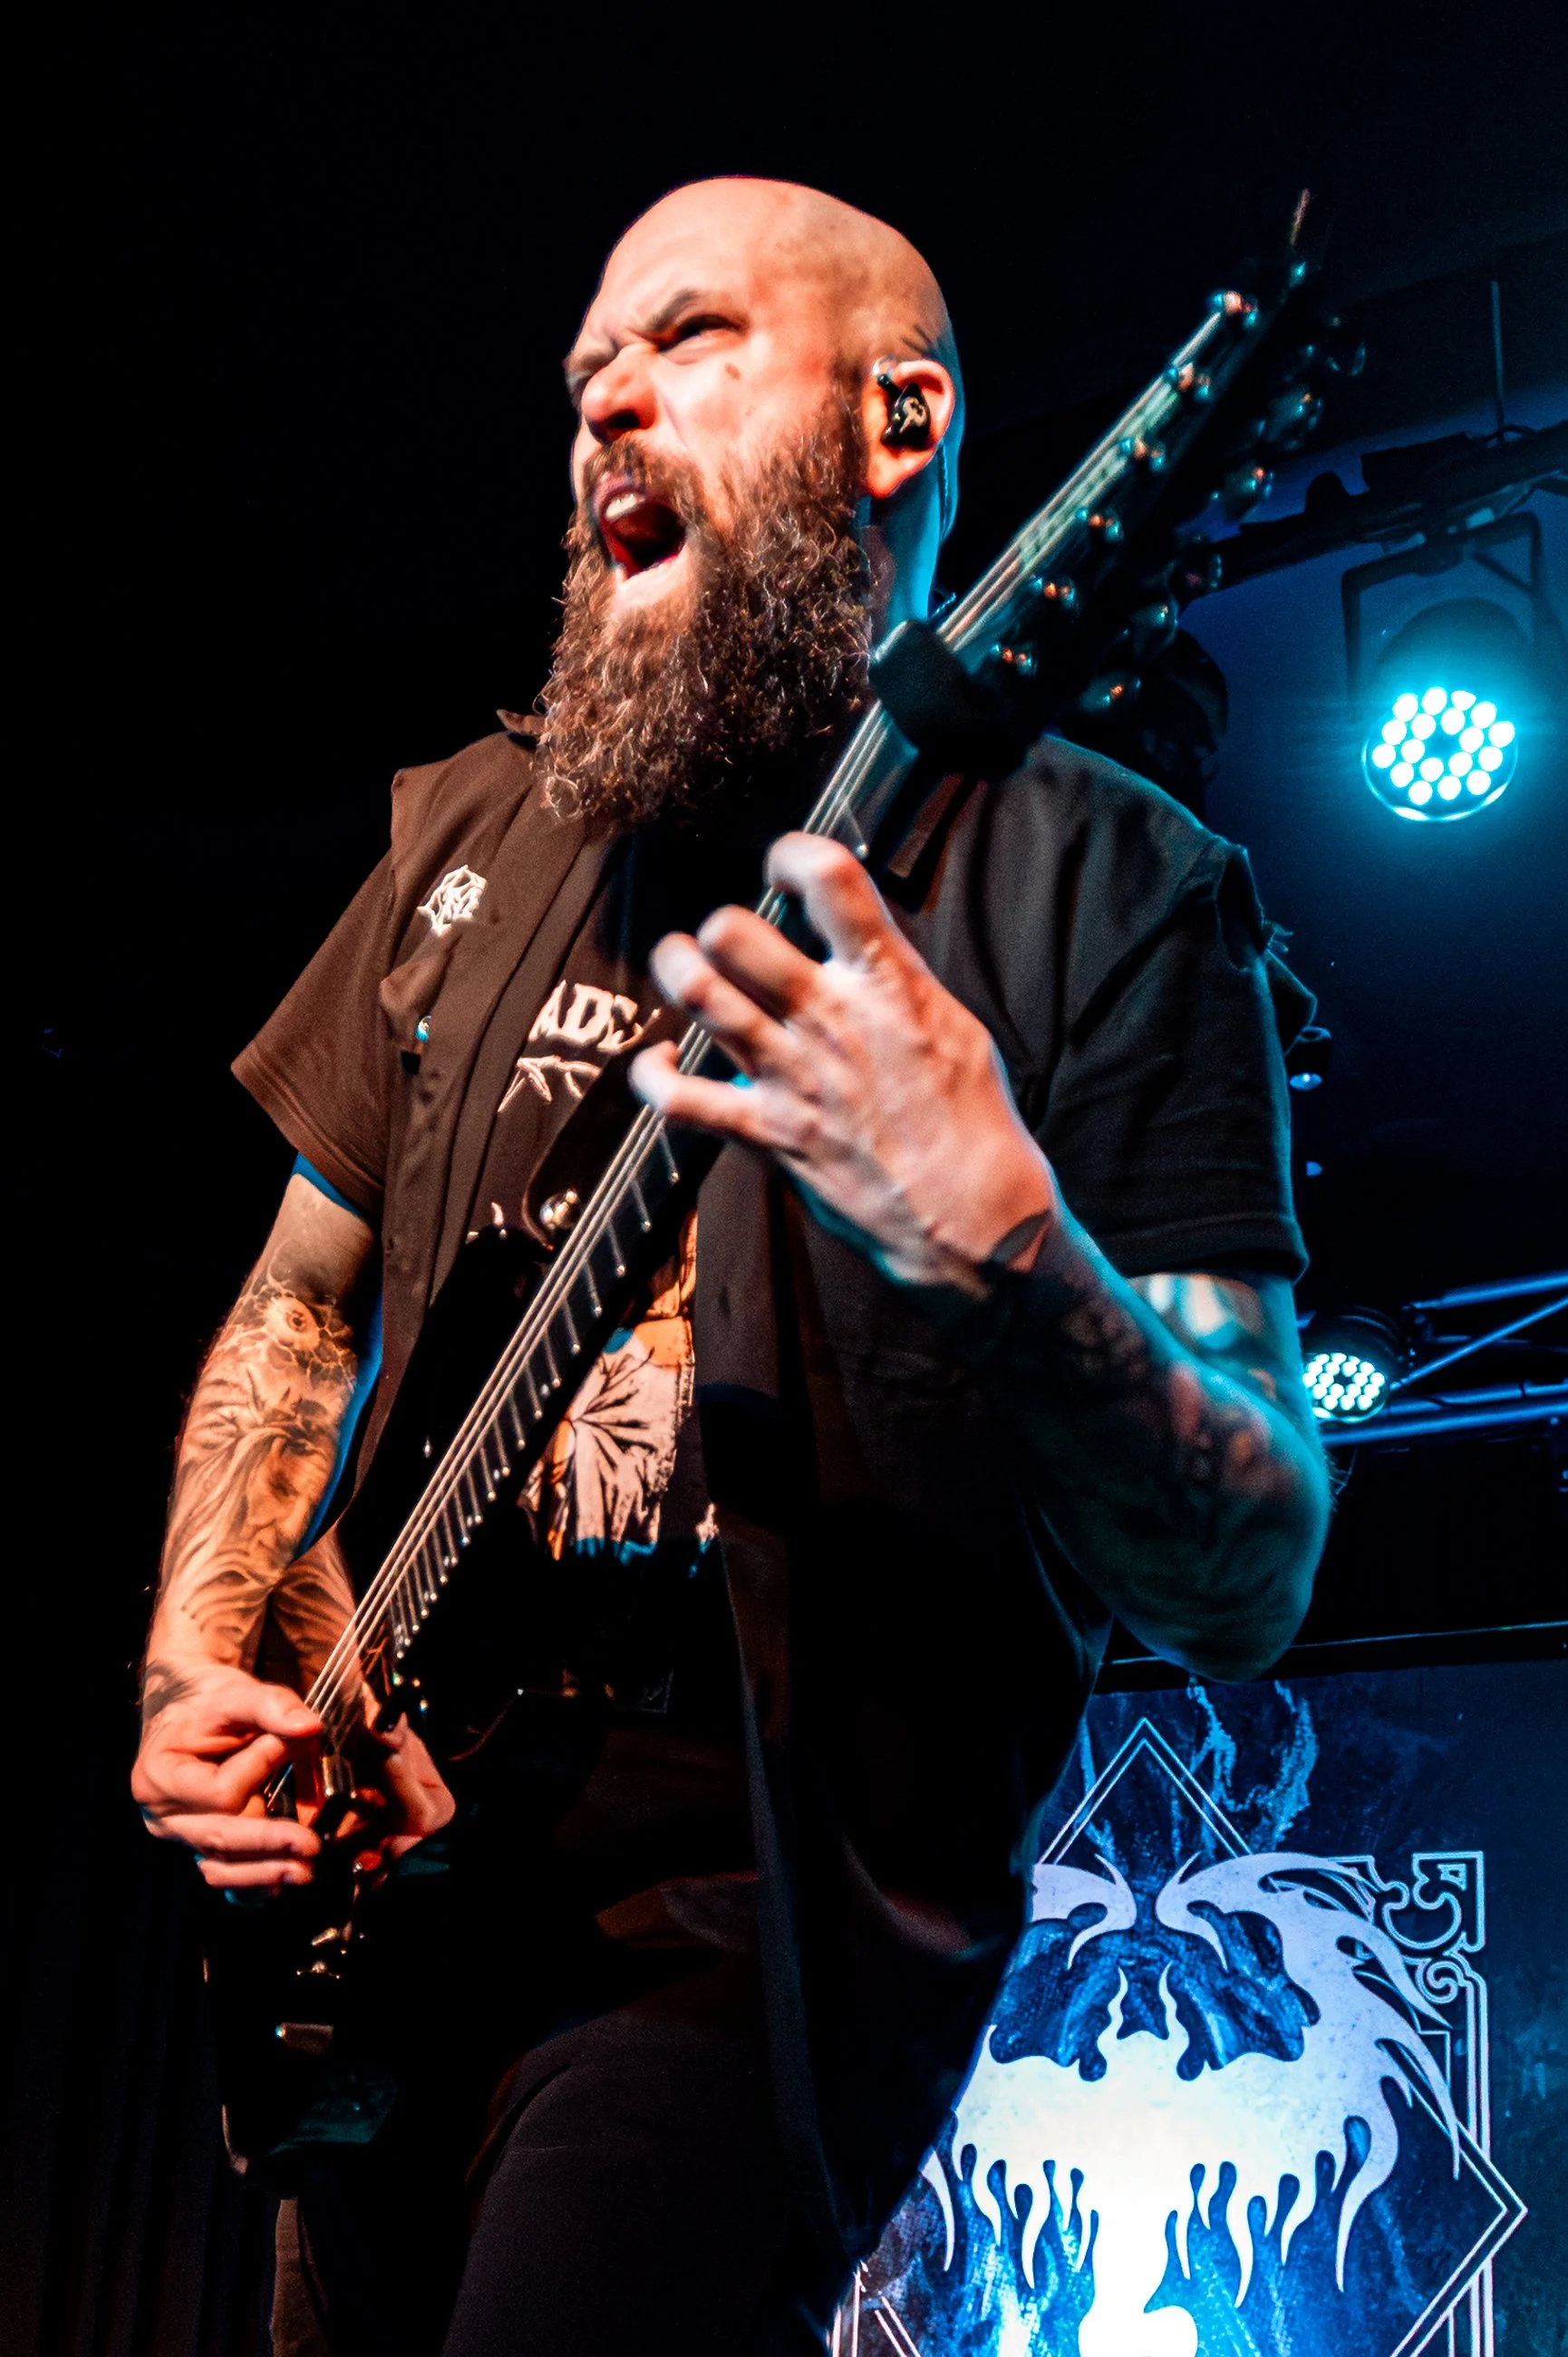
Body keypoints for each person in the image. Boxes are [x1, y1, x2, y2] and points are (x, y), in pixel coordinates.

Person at [131, 178, 1330, 2355]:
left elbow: (1245, 1567)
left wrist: (1017, 1260)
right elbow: (302, 1296)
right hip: (383, 1885)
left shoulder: (1114, 889)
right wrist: (199, 1659)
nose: (604, 399)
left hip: (734, 1920)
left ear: (898, 420)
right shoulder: (470, 833)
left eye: (683, 338)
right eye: (586, 367)